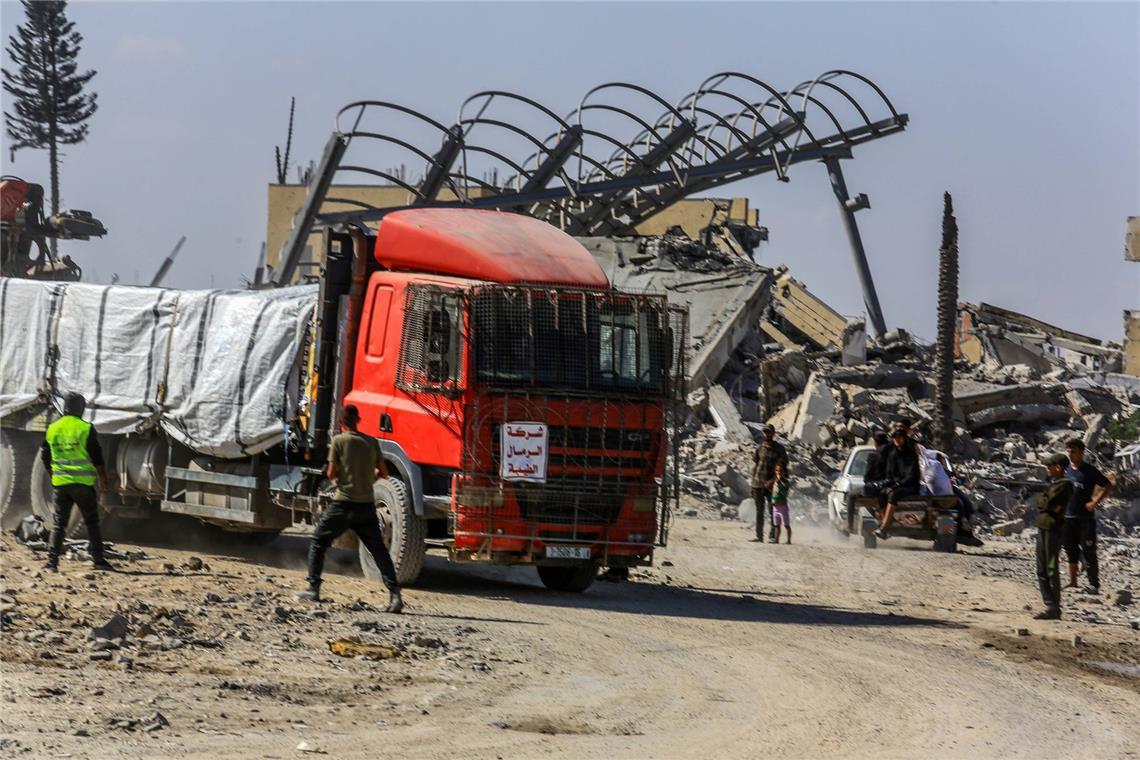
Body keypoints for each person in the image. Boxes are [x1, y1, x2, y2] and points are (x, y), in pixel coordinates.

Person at [297, 404, 403, 613]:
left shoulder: (339, 441)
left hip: (343, 503)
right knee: (379, 551)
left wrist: (346, 474)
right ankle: (395, 596)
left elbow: (330, 474)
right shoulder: (371, 442)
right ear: (359, 420)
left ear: (341, 423)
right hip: (366, 506)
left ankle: (313, 588)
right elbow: (383, 472)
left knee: (319, 540)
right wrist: (367, 475)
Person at [40, 392, 114, 573]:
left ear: (65, 408)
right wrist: (103, 480)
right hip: (83, 486)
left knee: (59, 525)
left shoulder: (53, 428)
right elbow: (97, 457)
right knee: (92, 522)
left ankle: (51, 563)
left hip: (61, 485)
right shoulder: (85, 428)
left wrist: (53, 475)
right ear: (81, 409)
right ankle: (99, 560)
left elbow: (45, 455)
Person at [1062, 439, 1113, 594]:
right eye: (1069, 451)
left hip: (1085, 519)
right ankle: (1073, 581)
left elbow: (1108, 484)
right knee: (1070, 550)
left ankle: (1093, 584)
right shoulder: (1066, 470)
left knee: (1089, 551)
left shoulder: (1089, 470)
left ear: (1082, 452)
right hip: (1067, 517)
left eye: (1074, 451)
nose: (1071, 454)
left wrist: (1095, 501)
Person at [1033, 453, 1075, 620]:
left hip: (1053, 530)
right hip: (1043, 528)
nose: (1047, 470)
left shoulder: (1065, 485)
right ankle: (1049, 604)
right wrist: (1045, 503)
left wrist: (1045, 503)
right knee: (1041, 568)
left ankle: (1054, 606)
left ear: (1058, 467)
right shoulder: (1053, 485)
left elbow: (1049, 505)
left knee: (1051, 568)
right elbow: (1040, 504)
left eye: (1049, 467)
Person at [875, 426, 920, 539]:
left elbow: (911, 475)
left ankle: (884, 528)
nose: (897, 440)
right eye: (895, 438)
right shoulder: (893, 455)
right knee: (882, 493)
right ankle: (885, 525)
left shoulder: (911, 454)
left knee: (894, 494)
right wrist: (888, 484)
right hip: (896, 484)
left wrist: (896, 485)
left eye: (899, 438)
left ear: (904, 439)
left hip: (909, 485)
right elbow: (890, 473)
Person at [749, 424, 788, 543]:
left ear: (773, 433)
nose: (767, 434)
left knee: (773, 512)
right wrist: (752, 484)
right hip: (757, 484)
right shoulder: (760, 448)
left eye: (769, 432)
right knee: (759, 512)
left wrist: (772, 482)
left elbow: (783, 468)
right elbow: (756, 466)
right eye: (765, 432)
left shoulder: (779, 449)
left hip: (772, 486)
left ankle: (772, 536)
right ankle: (759, 536)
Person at [770, 462, 791, 544]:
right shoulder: (775, 481)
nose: (778, 472)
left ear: (783, 472)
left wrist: (780, 484)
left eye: (780, 471)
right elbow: (773, 492)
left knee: (786, 525)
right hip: (775, 507)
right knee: (777, 525)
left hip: (782, 506)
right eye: (777, 470)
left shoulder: (785, 482)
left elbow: (785, 493)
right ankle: (777, 540)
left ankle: (789, 540)